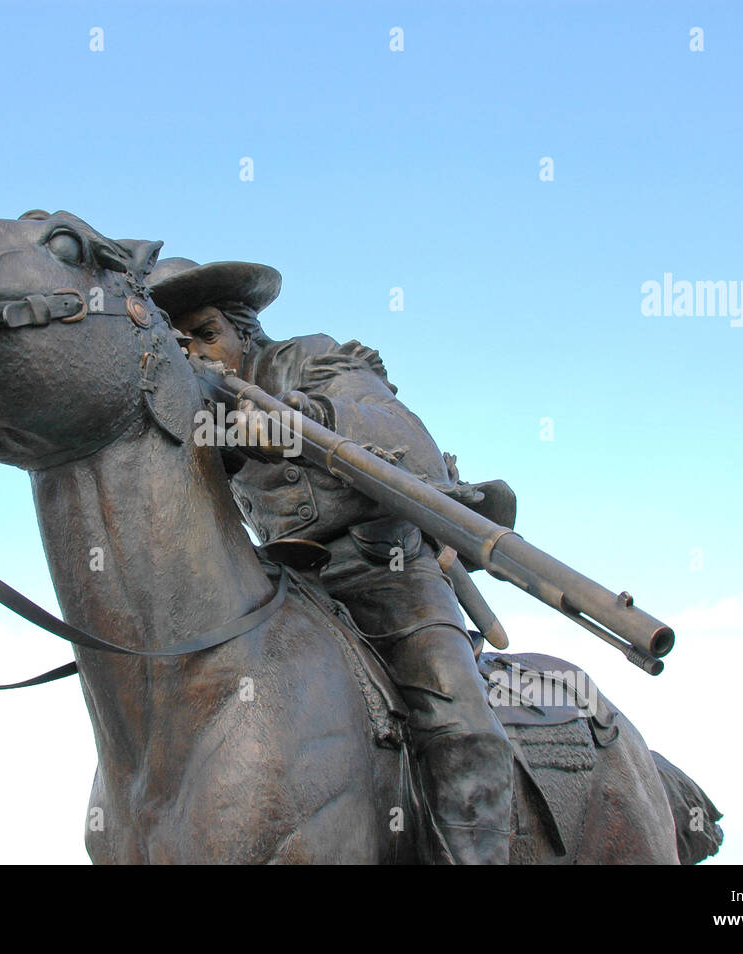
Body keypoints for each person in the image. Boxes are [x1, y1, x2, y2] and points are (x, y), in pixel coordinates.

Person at [148, 257, 516, 864]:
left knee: (463, 727)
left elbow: (401, 437)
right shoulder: (198, 415)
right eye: (182, 343)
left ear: (243, 331)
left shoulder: (310, 358)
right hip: (288, 583)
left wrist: (304, 417)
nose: (202, 354)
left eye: (209, 333)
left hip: (383, 567)